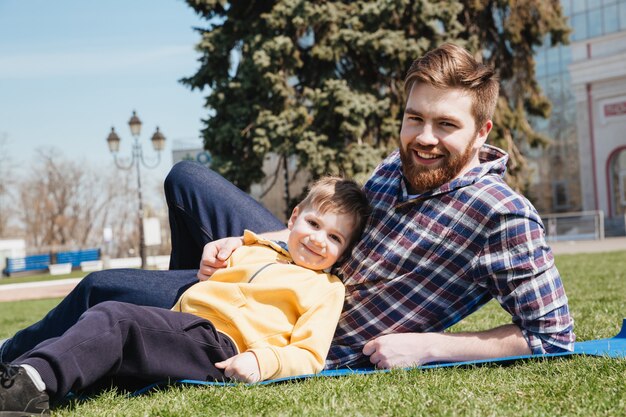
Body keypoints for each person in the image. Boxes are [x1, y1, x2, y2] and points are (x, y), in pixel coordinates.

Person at [0, 43, 574, 373]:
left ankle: (10, 362)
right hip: (291, 262)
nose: (424, 137)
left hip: (296, 315)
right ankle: (190, 303)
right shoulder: (396, 170)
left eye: (446, 124)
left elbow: (553, 335)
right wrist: (256, 243)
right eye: (414, 118)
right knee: (186, 177)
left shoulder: (502, 216)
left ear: (481, 133)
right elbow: (329, 225)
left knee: (102, 287)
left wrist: (426, 346)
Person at [0, 177, 371, 416]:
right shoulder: (255, 249)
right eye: (313, 223)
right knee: (103, 340)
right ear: (292, 219)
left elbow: (309, 354)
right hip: (184, 324)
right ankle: (18, 371)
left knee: (117, 318)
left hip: (221, 345)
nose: (318, 239)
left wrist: (264, 360)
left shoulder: (326, 289)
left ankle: (29, 385)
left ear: (343, 252)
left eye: (335, 238)